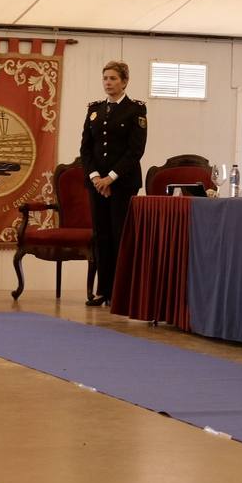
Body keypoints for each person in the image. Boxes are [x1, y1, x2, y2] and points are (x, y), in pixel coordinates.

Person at [80, 61, 147, 307]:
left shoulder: (135, 110)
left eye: (113, 79)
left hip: (123, 183)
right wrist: (96, 177)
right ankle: (103, 291)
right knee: (102, 236)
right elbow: (86, 148)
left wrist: (112, 177)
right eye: (105, 78)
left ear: (124, 82)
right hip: (97, 184)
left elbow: (135, 150)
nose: (108, 83)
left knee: (121, 236)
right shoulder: (95, 110)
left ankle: (121, 293)